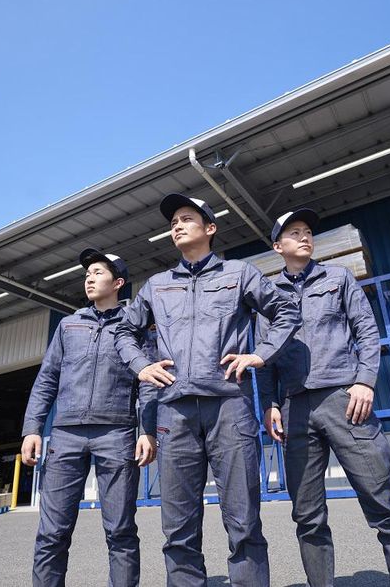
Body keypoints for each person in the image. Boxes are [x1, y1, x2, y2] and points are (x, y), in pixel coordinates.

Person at [114, 193, 301, 587]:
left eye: (186, 219)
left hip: (229, 407)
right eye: (173, 223)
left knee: (243, 519)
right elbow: (124, 331)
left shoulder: (239, 274)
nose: (177, 226)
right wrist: (141, 365)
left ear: (210, 228)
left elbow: (286, 311)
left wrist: (260, 355)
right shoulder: (157, 286)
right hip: (174, 412)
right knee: (178, 525)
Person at [256, 209, 390, 587]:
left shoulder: (338, 278)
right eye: (294, 233)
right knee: (307, 515)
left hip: (343, 399)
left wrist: (365, 381)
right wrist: (269, 404)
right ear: (277, 247)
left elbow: (366, 331)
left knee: (383, 505)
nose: (304, 237)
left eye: (307, 231)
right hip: (294, 407)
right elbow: (264, 358)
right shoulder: (268, 297)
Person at [21, 248, 157, 587]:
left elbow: (148, 382)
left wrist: (147, 430)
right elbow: (47, 379)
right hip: (66, 434)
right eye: (87, 274)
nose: (90, 279)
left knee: (120, 530)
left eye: (98, 273)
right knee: (52, 532)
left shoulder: (135, 327)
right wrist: (32, 428)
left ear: (118, 283)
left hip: (116, 433)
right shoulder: (69, 326)